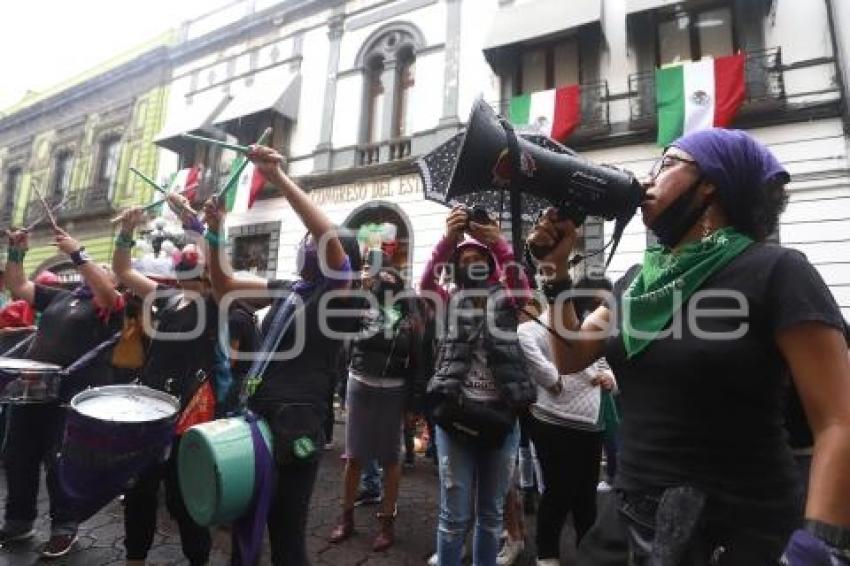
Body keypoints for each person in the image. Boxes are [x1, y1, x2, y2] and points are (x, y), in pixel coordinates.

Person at [527, 128, 850, 564]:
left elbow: (838, 421)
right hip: (628, 524)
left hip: (739, 533)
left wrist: (818, 545)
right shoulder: (637, 283)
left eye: (666, 163)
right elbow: (569, 356)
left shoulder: (777, 271)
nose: (648, 177)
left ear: (711, 182)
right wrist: (554, 269)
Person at [204, 144, 361, 566]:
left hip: (296, 425)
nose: (309, 243)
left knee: (286, 532)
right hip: (254, 416)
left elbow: (328, 238)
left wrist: (278, 178)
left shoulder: (338, 296)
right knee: (244, 524)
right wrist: (215, 232)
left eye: (313, 240)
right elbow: (224, 288)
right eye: (307, 240)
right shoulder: (289, 289)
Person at [422, 205, 536, 566]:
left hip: (501, 419)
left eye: (478, 256)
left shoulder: (508, 296)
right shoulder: (446, 299)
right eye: (464, 257)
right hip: (455, 416)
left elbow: (524, 289)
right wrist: (448, 240)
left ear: (490, 263)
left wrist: (499, 242)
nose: (472, 261)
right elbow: (426, 285)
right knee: (453, 519)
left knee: (491, 516)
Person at [0, 227, 123, 558]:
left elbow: (106, 292)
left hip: (72, 396)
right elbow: (18, 285)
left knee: (60, 462)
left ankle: (64, 526)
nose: (96, 271)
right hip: (33, 389)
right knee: (17, 455)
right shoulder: (62, 297)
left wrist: (78, 253)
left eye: (103, 270)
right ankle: (18, 520)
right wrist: (16, 252)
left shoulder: (113, 307)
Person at [112, 198, 220, 566]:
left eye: (197, 267)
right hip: (150, 408)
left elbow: (222, 266)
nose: (191, 271)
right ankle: (134, 558)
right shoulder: (168, 297)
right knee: (139, 490)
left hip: (189, 413)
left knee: (184, 497)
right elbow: (123, 271)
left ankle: (198, 560)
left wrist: (194, 221)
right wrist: (126, 231)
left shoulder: (217, 303)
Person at [329, 254, 429, 551]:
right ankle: (346, 517)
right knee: (355, 455)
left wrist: (413, 405)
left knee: (390, 458)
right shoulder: (362, 303)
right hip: (359, 384)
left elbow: (419, 364)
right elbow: (345, 337)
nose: (378, 281)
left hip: (393, 391)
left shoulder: (411, 314)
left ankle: (386, 521)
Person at [517, 290, 615, 565]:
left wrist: (609, 377)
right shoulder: (537, 327)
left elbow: (606, 360)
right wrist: (551, 378)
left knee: (586, 495)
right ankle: (547, 553)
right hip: (552, 419)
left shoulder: (593, 326)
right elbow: (526, 343)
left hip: (590, 423)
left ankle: (587, 550)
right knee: (559, 491)